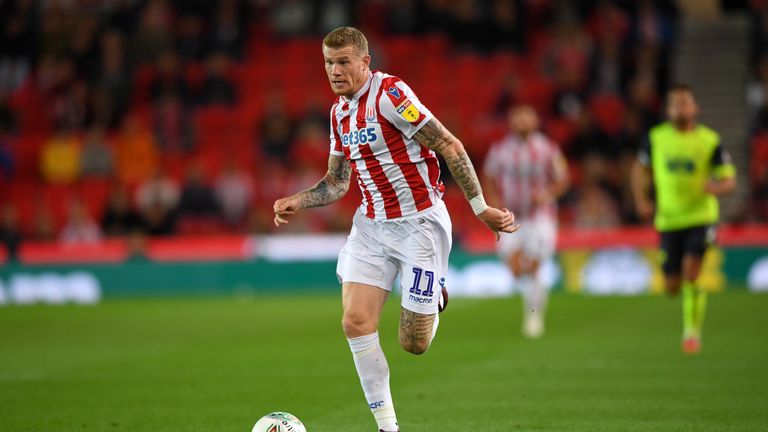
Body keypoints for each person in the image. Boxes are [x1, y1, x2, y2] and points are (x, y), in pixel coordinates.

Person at [273, 27, 518, 432]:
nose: (334, 71)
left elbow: (450, 145)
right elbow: (337, 181)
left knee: (414, 344)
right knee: (354, 322)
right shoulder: (339, 113)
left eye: (343, 62)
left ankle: (434, 293)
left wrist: (481, 208)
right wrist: (298, 199)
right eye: (328, 63)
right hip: (370, 227)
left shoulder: (390, 95)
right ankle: (389, 428)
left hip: (419, 224)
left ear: (365, 62)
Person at [631, 84, 736, 355]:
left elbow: (729, 180)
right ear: (668, 110)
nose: (680, 108)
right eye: (675, 104)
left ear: (695, 108)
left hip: (701, 216)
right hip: (668, 219)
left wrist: (714, 188)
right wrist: (642, 200)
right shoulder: (656, 138)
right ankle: (690, 308)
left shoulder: (709, 140)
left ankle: (692, 333)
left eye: (685, 103)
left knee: (692, 271)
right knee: (671, 287)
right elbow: (639, 169)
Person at [482, 105, 570, 338]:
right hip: (510, 215)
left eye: (526, 116)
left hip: (540, 216)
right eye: (517, 116)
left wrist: (548, 194)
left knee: (532, 265)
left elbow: (563, 178)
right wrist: (493, 204)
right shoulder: (500, 150)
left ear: (535, 120)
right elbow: (489, 177)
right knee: (516, 268)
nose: (522, 121)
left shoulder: (548, 149)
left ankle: (534, 316)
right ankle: (533, 310)